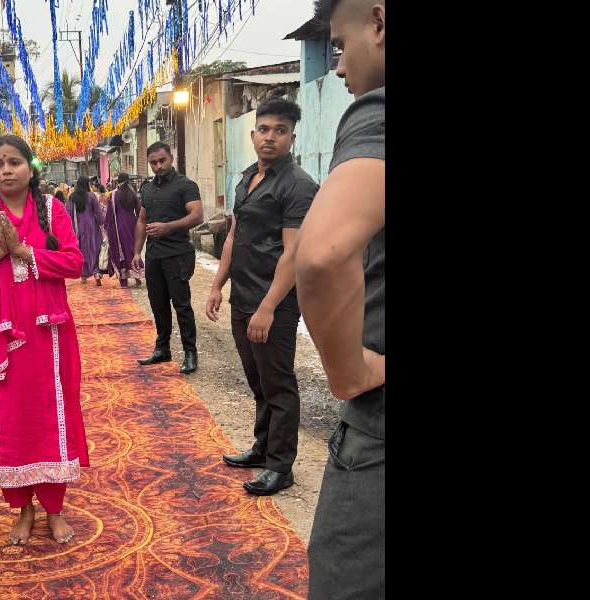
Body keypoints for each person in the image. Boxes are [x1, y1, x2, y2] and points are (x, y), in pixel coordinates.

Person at [0, 134, 90, 546]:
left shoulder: (51, 209)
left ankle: (55, 508)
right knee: (9, 421)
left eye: (14, 163)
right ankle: (22, 509)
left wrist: (24, 252)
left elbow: (76, 262)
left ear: (31, 168)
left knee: (50, 416)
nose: (6, 171)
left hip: (49, 337)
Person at [295, 1, 385, 598]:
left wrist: (350, 372)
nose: (335, 65)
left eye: (337, 43)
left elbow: (322, 253)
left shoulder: (376, 114)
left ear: (379, 21)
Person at [205, 97, 318, 496]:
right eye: (264, 129)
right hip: (243, 296)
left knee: (279, 384)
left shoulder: (298, 186)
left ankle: (281, 466)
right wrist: (218, 284)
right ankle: (262, 448)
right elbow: (235, 235)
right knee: (258, 381)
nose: (270, 137)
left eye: (280, 131)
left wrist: (268, 307)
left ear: (291, 136)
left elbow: (294, 252)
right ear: (253, 134)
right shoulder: (248, 177)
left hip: (275, 302)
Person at [132, 142, 204, 374]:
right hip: (154, 256)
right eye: (153, 162)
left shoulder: (186, 185)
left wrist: (168, 227)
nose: (158, 166)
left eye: (162, 160)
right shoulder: (148, 189)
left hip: (177, 254)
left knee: (182, 306)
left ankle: (190, 353)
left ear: (171, 158)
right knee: (158, 305)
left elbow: (197, 216)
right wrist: (136, 251)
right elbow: (142, 220)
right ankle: (162, 349)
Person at [104, 172, 144, 288]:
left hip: (118, 226)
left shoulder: (113, 195)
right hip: (132, 224)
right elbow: (139, 210)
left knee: (121, 251)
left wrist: (106, 226)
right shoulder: (133, 193)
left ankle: (124, 282)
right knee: (133, 249)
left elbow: (110, 213)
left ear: (118, 181)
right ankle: (137, 277)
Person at [66, 176, 105, 286]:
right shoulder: (91, 196)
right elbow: (98, 212)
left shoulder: (72, 197)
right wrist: (103, 222)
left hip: (77, 228)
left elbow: (68, 213)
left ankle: (83, 275)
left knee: (81, 251)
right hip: (92, 228)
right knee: (95, 249)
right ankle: (96, 273)